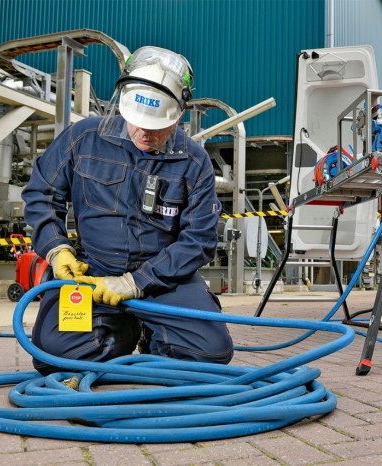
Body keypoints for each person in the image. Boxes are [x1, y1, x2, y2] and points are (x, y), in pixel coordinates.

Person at [21, 46, 233, 375]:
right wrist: (56, 249)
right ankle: (122, 331)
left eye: (156, 127)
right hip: (93, 276)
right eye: (137, 123)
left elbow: (199, 239)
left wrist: (137, 282)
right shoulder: (83, 138)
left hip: (166, 282)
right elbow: (42, 192)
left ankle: (152, 336)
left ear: (179, 114)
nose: (144, 133)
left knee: (211, 356)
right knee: (53, 358)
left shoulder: (194, 162)